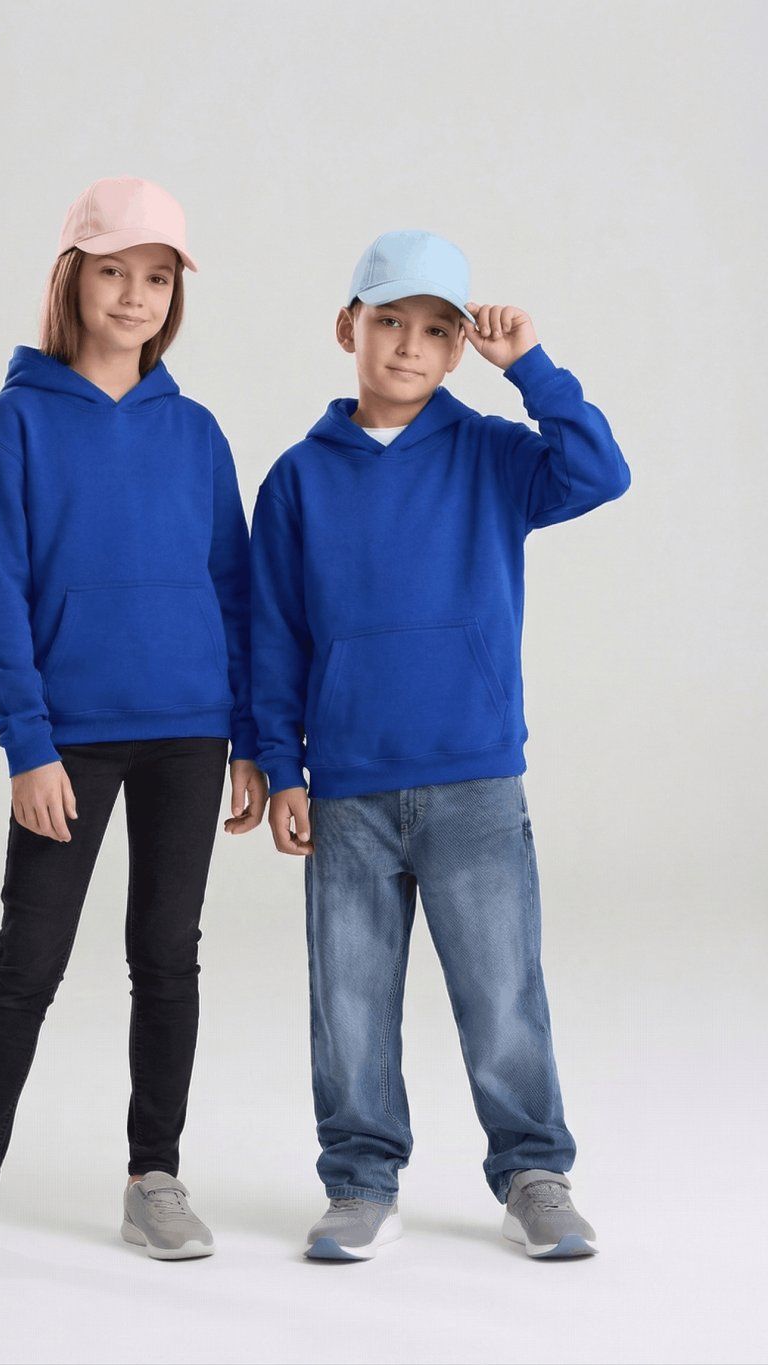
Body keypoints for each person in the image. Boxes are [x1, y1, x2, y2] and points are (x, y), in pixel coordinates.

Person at [0, 176, 267, 1272]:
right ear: (72, 278)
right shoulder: (11, 423)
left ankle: (156, 1178)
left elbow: (235, 590)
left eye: (157, 277)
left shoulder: (195, 431)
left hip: (190, 732)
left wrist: (251, 737)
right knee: (29, 958)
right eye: (113, 270)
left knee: (168, 956)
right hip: (70, 738)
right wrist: (28, 745)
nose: (136, 294)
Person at [249, 229, 630, 1261]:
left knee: (502, 995)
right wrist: (281, 768)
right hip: (348, 790)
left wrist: (531, 368)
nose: (408, 346)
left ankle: (534, 1173)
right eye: (389, 322)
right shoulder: (297, 480)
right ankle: (359, 1181)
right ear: (349, 328)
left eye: (434, 330)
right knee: (349, 1004)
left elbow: (601, 472)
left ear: (460, 347)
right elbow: (272, 636)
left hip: (473, 781)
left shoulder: (495, 456)